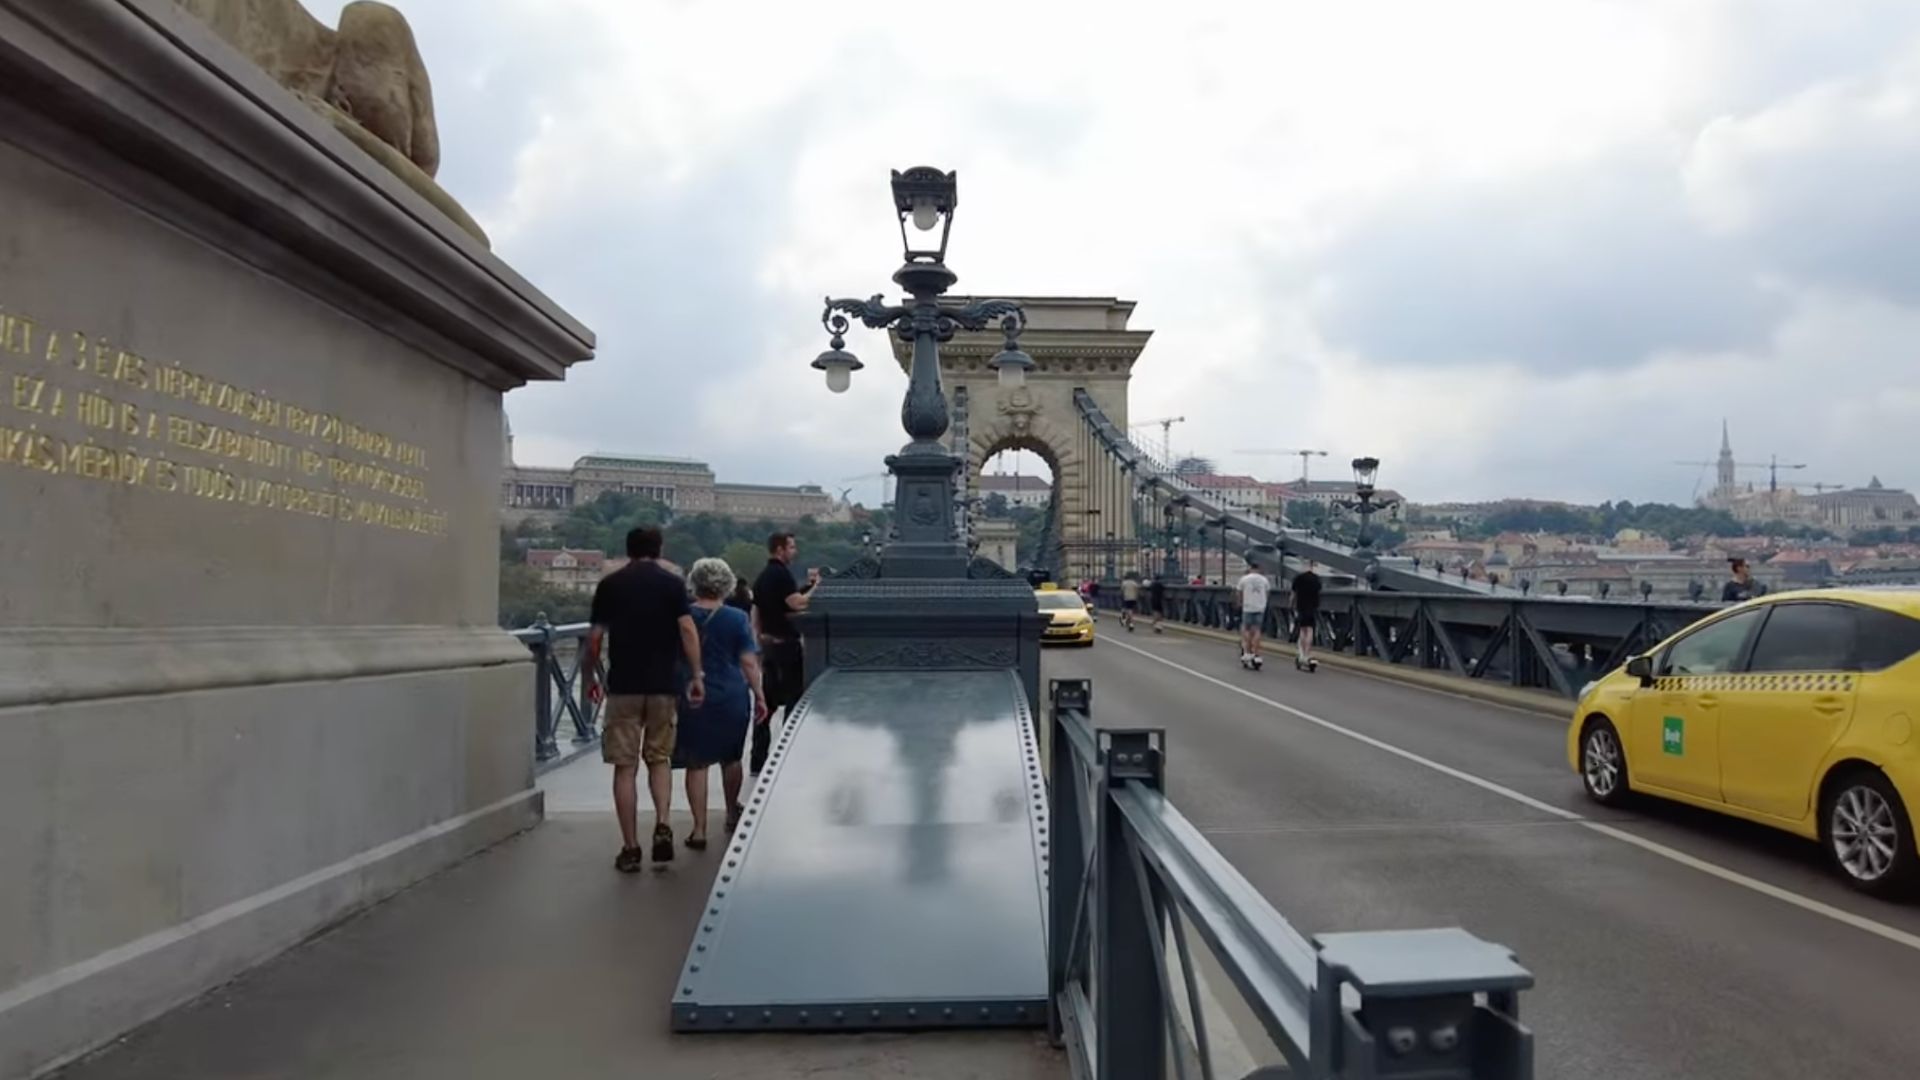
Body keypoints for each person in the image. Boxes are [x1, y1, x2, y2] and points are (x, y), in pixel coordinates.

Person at [585, 527, 704, 873]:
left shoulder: (610, 585)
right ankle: (663, 823)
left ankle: (631, 847)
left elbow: (594, 639)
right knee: (659, 758)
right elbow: (687, 630)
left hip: (623, 686)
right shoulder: (672, 585)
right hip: (664, 685)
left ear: (628, 549)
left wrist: (592, 677)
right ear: (659, 548)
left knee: (625, 767)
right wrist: (696, 675)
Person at [676, 558, 767, 850]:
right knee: (732, 757)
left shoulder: (683, 616)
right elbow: (748, 662)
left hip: (693, 693)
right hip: (731, 692)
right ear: (726, 585)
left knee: (697, 762)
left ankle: (699, 829)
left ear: (695, 583)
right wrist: (760, 695)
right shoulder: (737, 618)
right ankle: (730, 812)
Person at [751, 532, 817, 774]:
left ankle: (757, 760)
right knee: (793, 701)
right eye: (791, 547)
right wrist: (815, 590)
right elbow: (797, 603)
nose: (794, 551)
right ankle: (788, 755)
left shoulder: (761, 577)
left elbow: (756, 614)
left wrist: (758, 641)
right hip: (787, 645)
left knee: (766, 704)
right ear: (779, 549)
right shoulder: (782, 575)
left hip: (768, 646)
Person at [1234, 563, 1272, 669]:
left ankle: (1246, 652)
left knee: (1246, 629)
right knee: (1257, 631)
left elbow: (1239, 593)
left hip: (1247, 607)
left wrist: (1239, 603)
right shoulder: (1264, 580)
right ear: (1259, 569)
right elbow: (1267, 593)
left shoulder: (1244, 579)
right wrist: (1263, 603)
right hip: (1260, 608)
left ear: (1250, 568)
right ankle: (1256, 653)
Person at [1290, 560, 1324, 672]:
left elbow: (1293, 593)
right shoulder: (1316, 579)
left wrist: (1291, 605)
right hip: (1312, 608)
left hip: (1301, 607)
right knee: (1310, 631)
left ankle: (1303, 654)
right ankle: (1308, 652)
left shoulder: (1299, 578)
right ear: (1313, 566)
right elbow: (1319, 593)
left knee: (1302, 631)